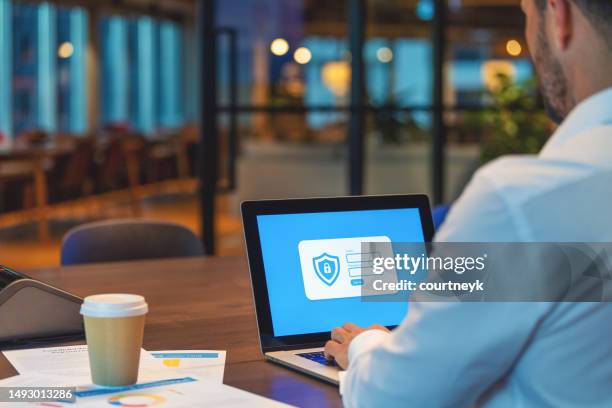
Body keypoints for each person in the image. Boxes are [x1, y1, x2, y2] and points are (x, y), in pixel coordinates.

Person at [324, 0, 612, 406]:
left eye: (526, 16)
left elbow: (397, 398)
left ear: (559, 17)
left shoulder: (523, 200)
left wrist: (367, 344)